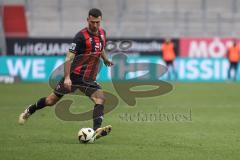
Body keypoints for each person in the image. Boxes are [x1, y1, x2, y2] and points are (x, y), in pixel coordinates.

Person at [18, 8, 113, 140]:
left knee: (100, 98)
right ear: (88, 20)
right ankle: (30, 110)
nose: (95, 25)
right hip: (74, 76)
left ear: (101, 20)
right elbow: (68, 58)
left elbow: (100, 48)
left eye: (97, 22)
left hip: (88, 78)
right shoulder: (80, 37)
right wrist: (67, 78)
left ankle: (97, 129)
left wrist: (105, 59)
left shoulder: (102, 33)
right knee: (50, 101)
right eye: (92, 22)